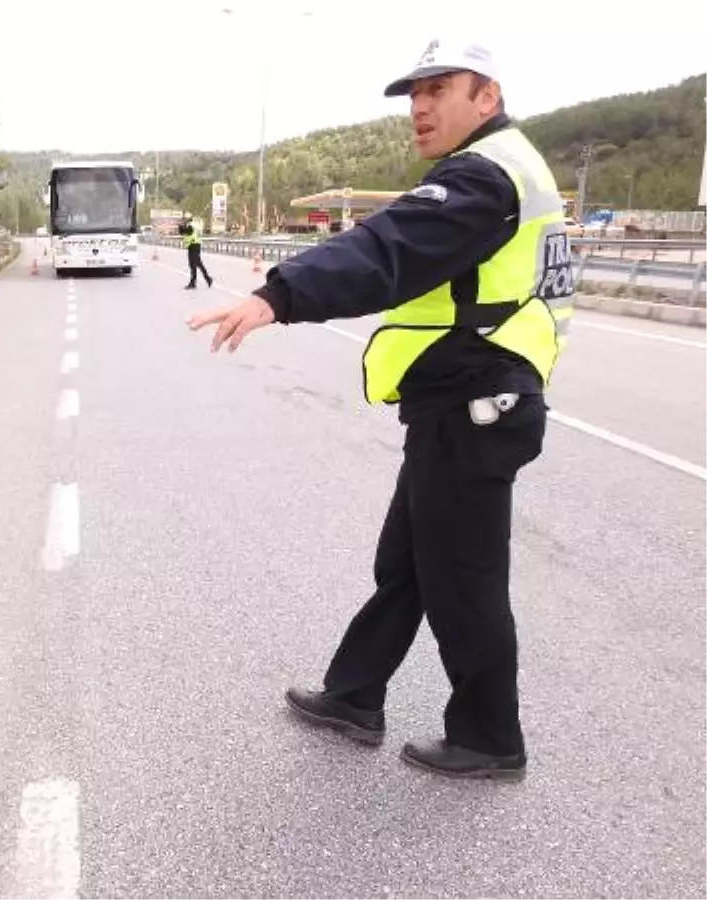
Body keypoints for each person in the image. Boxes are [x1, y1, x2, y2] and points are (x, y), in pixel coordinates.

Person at [187, 38, 574, 782]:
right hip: (464, 399)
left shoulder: (483, 178)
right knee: (409, 562)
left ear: (485, 96)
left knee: (462, 576)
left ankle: (491, 737)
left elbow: (386, 247)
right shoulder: (508, 169)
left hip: (477, 398)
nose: (419, 108)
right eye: (412, 94)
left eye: (438, 89)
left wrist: (280, 295)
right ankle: (355, 694)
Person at [178, 215, 213, 289]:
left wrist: (182, 226)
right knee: (193, 265)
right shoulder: (187, 225)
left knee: (197, 264)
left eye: (184, 219)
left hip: (195, 245)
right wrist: (180, 226)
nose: (183, 220)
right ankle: (198, 281)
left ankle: (206, 279)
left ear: (188, 219)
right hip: (191, 246)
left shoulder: (191, 225)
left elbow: (188, 231)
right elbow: (181, 232)